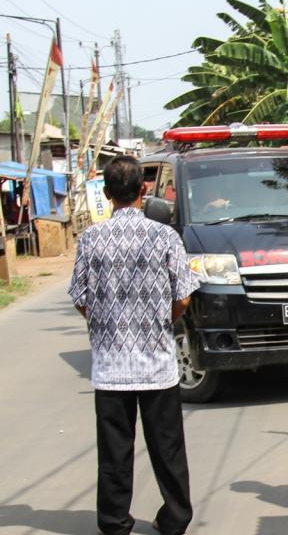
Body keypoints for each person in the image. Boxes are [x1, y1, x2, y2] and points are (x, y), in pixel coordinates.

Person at [68, 155, 199, 535]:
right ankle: (175, 519)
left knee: (114, 451)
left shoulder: (91, 239)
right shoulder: (165, 237)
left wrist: (103, 322)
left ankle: (113, 521)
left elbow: (80, 296)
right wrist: (162, 321)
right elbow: (185, 296)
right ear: (143, 190)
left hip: (111, 368)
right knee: (168, 448)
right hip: (157, 365)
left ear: (107, 194)